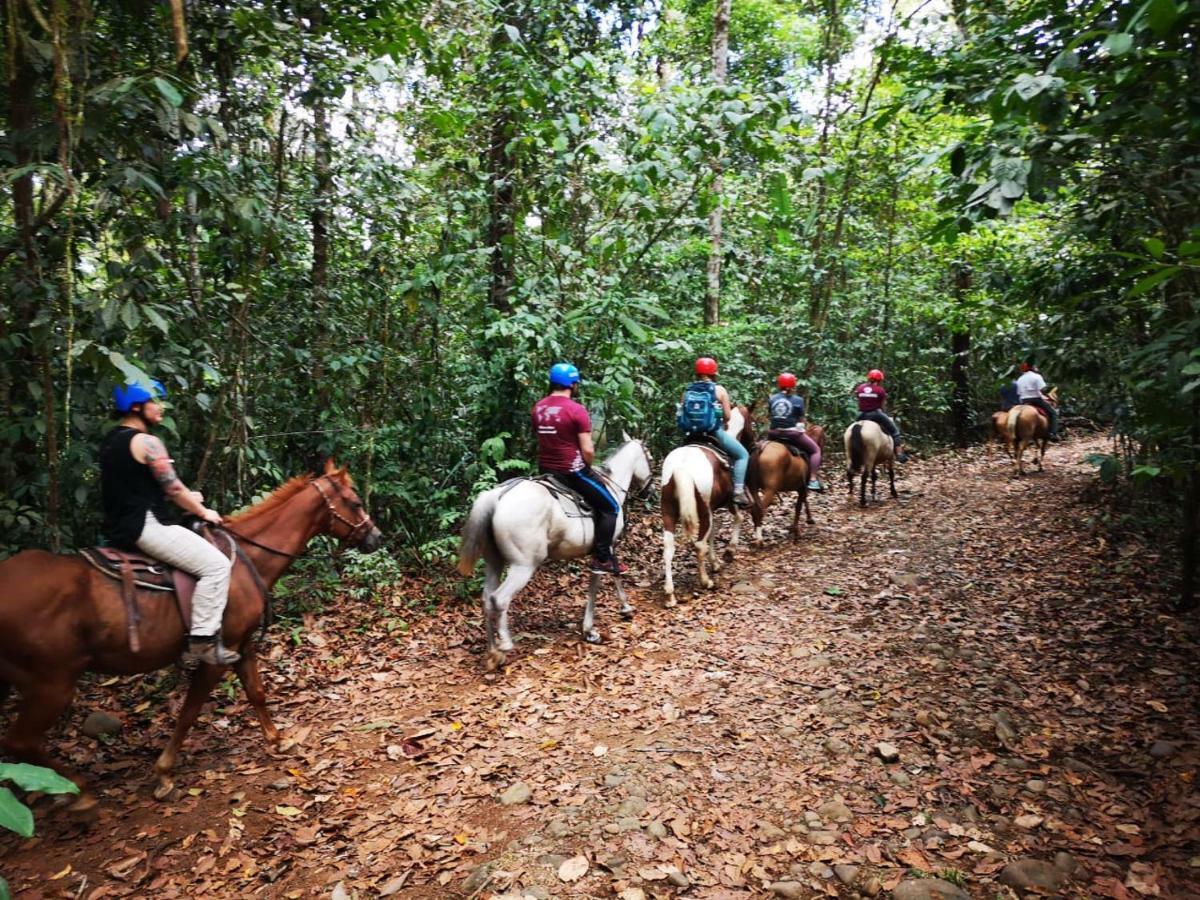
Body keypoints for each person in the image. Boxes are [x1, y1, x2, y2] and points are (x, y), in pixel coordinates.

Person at [100, 379, 238, 665]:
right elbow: (173, 489)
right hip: (147, 527)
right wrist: (203, 512)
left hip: (121, 526)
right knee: (216, 567)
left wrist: (191, 497)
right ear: (136, 406)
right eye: (154, 401)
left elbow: (137, 486)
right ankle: (202, 642)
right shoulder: (148, 442)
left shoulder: (111, 440)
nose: (160, 407)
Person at [532, 363, 628, 576]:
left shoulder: (538, 407)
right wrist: (587, 465)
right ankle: (602, 557)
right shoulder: (576, 410)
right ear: (573, 385)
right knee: (611, 507)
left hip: (545, 469)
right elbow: (588, 449)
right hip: (571, 471)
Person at [678, 357, 751, 507]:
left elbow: (681, 414)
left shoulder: (687, 392)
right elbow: (728, 416)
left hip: (690, 436)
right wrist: (722, 421)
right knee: (743, 455)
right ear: (713, 373)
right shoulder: (719, 390)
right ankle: (738, 491)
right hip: (713, 433)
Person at [766, 372, 823, 491]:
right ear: (792, 385)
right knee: (815, 450)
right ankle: (813, 479)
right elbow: (801, 420)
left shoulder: (773, 399)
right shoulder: (798, 400)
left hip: (773, 433)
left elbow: (770, 416)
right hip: (791, 434)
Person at [851, 369, 909, 462]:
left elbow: (857, 397)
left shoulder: (860, 388)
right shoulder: (880, 390)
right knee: (895, 432)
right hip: (876, 414)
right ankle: (899, 454)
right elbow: (882, 406)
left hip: (862, 414)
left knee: (852, 429)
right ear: (880, 380)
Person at [1015, 362, 1060, 440]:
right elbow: (1043, 390)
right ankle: (1053, 433)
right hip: (1035, 399)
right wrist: (1048, 397)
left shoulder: (1020, 379)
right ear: (1032, 368)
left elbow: (1018, 393)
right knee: (1053, 413)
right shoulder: (1037, 376)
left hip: (1023, 401)